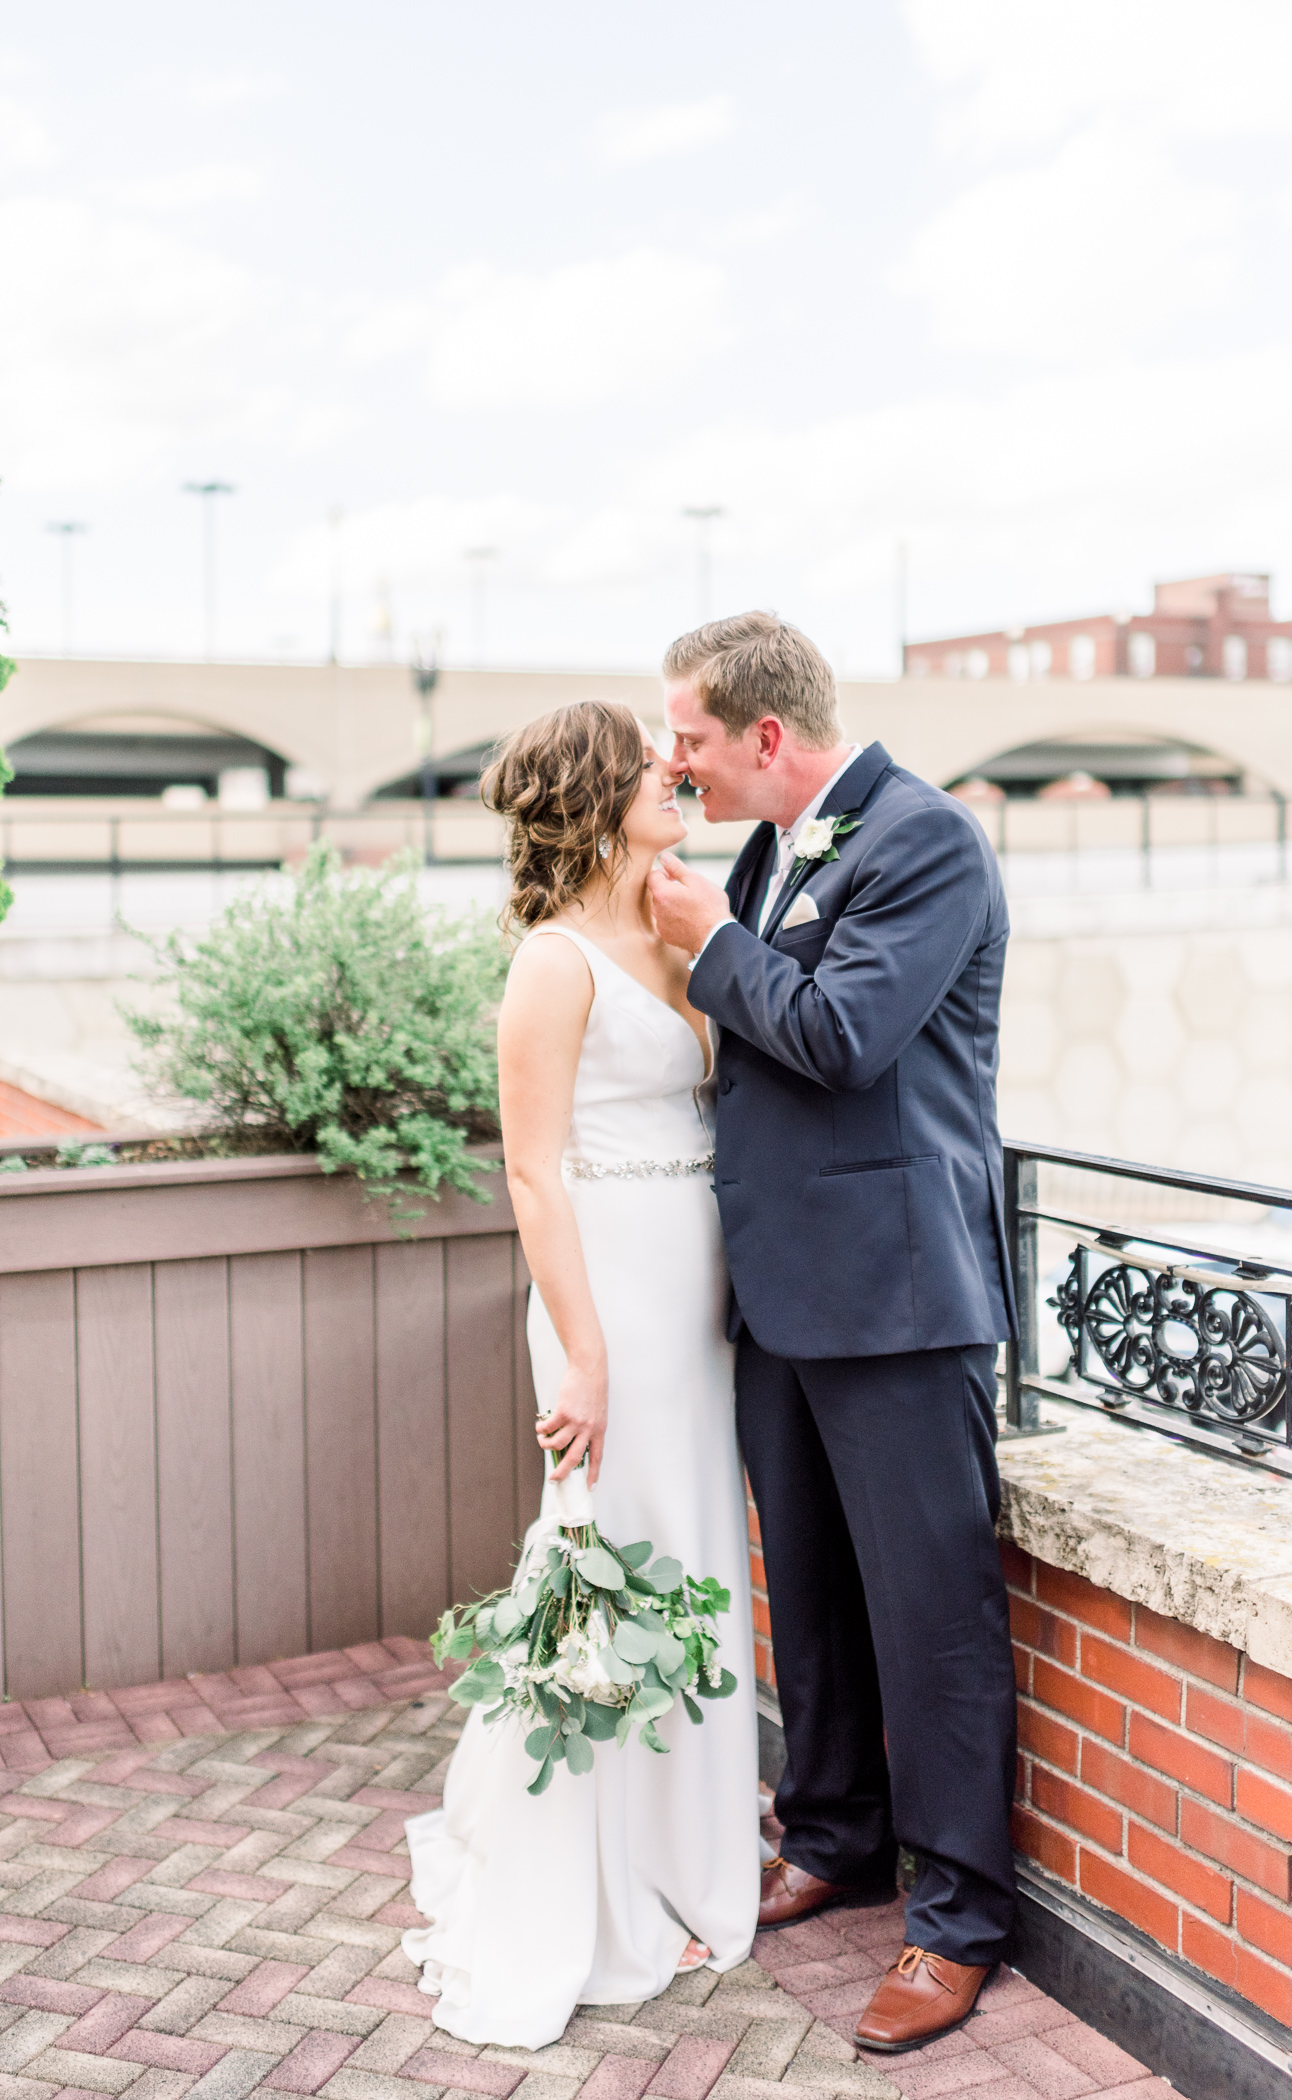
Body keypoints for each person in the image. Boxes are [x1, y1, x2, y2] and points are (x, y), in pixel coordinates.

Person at [647, 611, 1019, 2054]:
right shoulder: (762, 848)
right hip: (784, 1293)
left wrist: (714, 944)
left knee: (930, 1618)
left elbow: (843, 1036)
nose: (674, 763)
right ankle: (835, 1832)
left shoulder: (923, 840)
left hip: (899, 1299)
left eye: (687, 736)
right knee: (802, 1589)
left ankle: (958, 1921)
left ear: (763, 737)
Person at [401, 701, 759, 2049]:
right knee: (608, 1564)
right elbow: (533, 1173)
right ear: (600, 797)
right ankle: (593, 1884)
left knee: (692, 1553)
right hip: (606, 1298)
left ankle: (688, 1859)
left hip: (696, 1290)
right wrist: (588, 1357)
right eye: (651, 763)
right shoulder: (551, 964)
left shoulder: (673, 923)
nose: (676, 773)